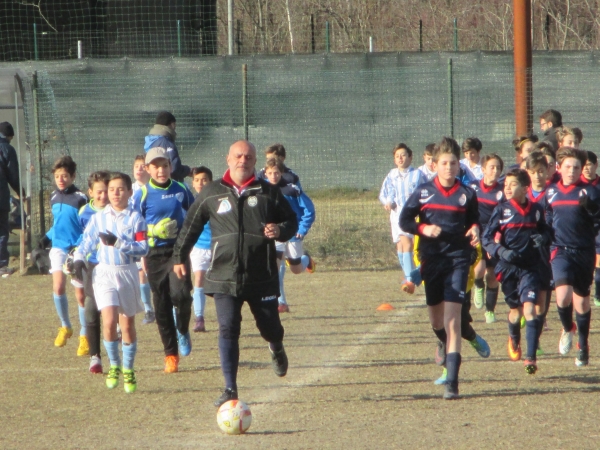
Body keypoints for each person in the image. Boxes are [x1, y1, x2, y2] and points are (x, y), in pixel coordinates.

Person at [172, 140, 298, 407]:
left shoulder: (269, 192)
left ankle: (276, 346)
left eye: (249, 156)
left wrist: (280, 230)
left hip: (261, 276)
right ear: (227, 159)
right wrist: (178, 257)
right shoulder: (211, 192)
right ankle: (230, 388)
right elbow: (190, 227)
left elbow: (291, 221)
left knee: (270, 328)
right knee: (228, 329)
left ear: (255, 162)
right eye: (238, 156)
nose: (243, 160)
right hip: (223, 276)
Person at [400, 137, 483, 400]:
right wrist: (423, 228)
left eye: (453, 163)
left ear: (459, 165)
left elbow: (474, 222)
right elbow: (404, 220)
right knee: (437, 322)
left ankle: (453, 383)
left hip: (457, 261)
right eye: (444, 163)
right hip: (432, 261)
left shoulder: (467, 194)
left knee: (452, 321)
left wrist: (474, 231)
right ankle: (451, 347)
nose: (449, 167)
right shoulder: (423, 191)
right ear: (435, 165)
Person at [74, 172, 148, 393]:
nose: (115, 193)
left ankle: (128, 368)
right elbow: (86, 242)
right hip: (104, 274)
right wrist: (78, 259)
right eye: (111, 189)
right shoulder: (99, 218)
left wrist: (118, 243)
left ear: (129, 192)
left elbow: (143, 249)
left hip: (127, 273)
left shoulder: (136, 219)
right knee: (108, 321)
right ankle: (114, 365)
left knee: (127, 325)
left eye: (120, 189)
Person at [132, 147, 195, 373]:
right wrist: (152, 231)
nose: (161, 170)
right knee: (162, 304)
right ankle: (170, 354)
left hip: (178, 251)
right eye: (156, 166)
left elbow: (195, 214)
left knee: (181, 295)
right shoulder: (142, 195)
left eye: (165, 165)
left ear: (170, 167)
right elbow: (134, 225)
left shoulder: (181, 189)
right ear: (147, 169)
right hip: (154, 255)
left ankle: (183, 329)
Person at [483, 168, 551, 375]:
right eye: (506, 185)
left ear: (525, 188)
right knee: (515, 312)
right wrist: (501, 251)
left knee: (530, 310)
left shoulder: (536, 209)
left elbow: (545, 229)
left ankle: (531, 357)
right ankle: (514, 337)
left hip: (530, 268)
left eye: (512, 184)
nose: (507, 188)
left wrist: (543, 237)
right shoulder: (501, 210)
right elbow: (486, 238)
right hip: (508, 269)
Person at [545, 147, 600, 367]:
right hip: (560, 250)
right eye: (568, 166)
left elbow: (598, 219)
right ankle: (568, 328)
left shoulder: (590, 191)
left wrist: (593, 209)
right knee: (563, 296)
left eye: (576, 167)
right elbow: (547, 214)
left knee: (582, 302)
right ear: (560, 167)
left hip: (584, 251)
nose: (572, 171)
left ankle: (583, 344)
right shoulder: (551, 191)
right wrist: (544, 234)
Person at [38, 156, 88, 349]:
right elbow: (57, 225)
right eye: (58, 176)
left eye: (65, 176)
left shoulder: (81, 198)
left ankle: (84, 334)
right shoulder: (53, 197)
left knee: (80, 295)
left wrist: (80, 247)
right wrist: (46, 238)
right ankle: (65, 326)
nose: (61, 179)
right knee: (58, 287)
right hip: (58, 247)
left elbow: (86, 227)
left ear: (73, 176)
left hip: (75, 249)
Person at [263, 158, 316, 313]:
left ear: (282, 173)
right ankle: (280, 302)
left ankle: (306, 260)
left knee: (296, 269)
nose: (273, 176)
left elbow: (309, 210)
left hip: (292, 234)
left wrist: (302, 229)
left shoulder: (292, 190)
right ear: (265, 174)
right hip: (275, 235)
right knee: (275, 268)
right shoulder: (262, 189)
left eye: (276, 173)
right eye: (270, 173)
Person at [379, 143, 427, 294]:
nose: (400, 158)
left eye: (403, 155)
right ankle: (410, 275)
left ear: (410, 157)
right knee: (400, 245)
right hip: (396, 215)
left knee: (407, 243)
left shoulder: (418, 174)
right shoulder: (392, 175)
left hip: (413, 215)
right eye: (397, 156)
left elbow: (427, 191)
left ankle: (410, 279)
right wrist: (387, 202)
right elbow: (384, 193)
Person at [77, 171, 111, 373]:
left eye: (106, 191)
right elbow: (79, 239)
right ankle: (95, 357)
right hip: (93, 266)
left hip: (115, 267)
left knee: (114, 315)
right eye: (99, 192)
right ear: (90, 192)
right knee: (90, 308)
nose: (103, 196)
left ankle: (118, 354)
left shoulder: (119, 211)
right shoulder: (84, 214)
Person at [470, 154, 504, 323]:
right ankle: (478, 285)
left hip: (494, 236)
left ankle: (490, 310)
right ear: (483, 169)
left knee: (492, 275)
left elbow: (505, 216)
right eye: (492, 167)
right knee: (478, 269)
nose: (495, 171)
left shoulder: (503, 191)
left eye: (498, 168)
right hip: (477, 233)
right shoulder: (473, 188)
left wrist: (498, 235)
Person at [525, 151, 554, 346]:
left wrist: (545, 236)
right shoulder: (522, 194)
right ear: (527, 172)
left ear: (547, 172)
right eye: (534, 172)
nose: (537, 176)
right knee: (526, 298)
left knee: (542, 302)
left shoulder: (552, 194)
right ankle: (527, 328)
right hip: (524, 251)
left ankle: (535, 338)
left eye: (541, 171)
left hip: (546, 252)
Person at [131, 154, 155, 324]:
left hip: (156, 237)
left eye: (142, 165)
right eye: (136, 166)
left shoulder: (154, 189)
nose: (139, 169)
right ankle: (148, 309)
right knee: (142, 273)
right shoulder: (130, 190)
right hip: (139, 237)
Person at [189, 166, 213, 331]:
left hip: (218, 247)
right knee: (198, 280)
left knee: (221, 283)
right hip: (198, 247)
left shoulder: (217, 200)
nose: (200, 183)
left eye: (204, 180)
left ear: (210, 182)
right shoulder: (191, 201)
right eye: (197, 180)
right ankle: (199, 318)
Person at [144, 111, 191, 182]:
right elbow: (174, 168)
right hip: (170, 185)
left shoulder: (151, 141)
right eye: (175, 125)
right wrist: (188, 170)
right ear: (172, 124)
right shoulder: (166, 142)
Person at [0, 122, 20, 276]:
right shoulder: (7, 148)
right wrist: (20, 191)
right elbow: (13, 176)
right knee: (1, 231)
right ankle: (1, 265)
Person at [582, 151, 600, 308]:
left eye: (589, 165)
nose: (587, 169)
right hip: (581, 230)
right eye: (584, 165)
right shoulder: (576, 186)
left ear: (596, 165)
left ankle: (598, 294)